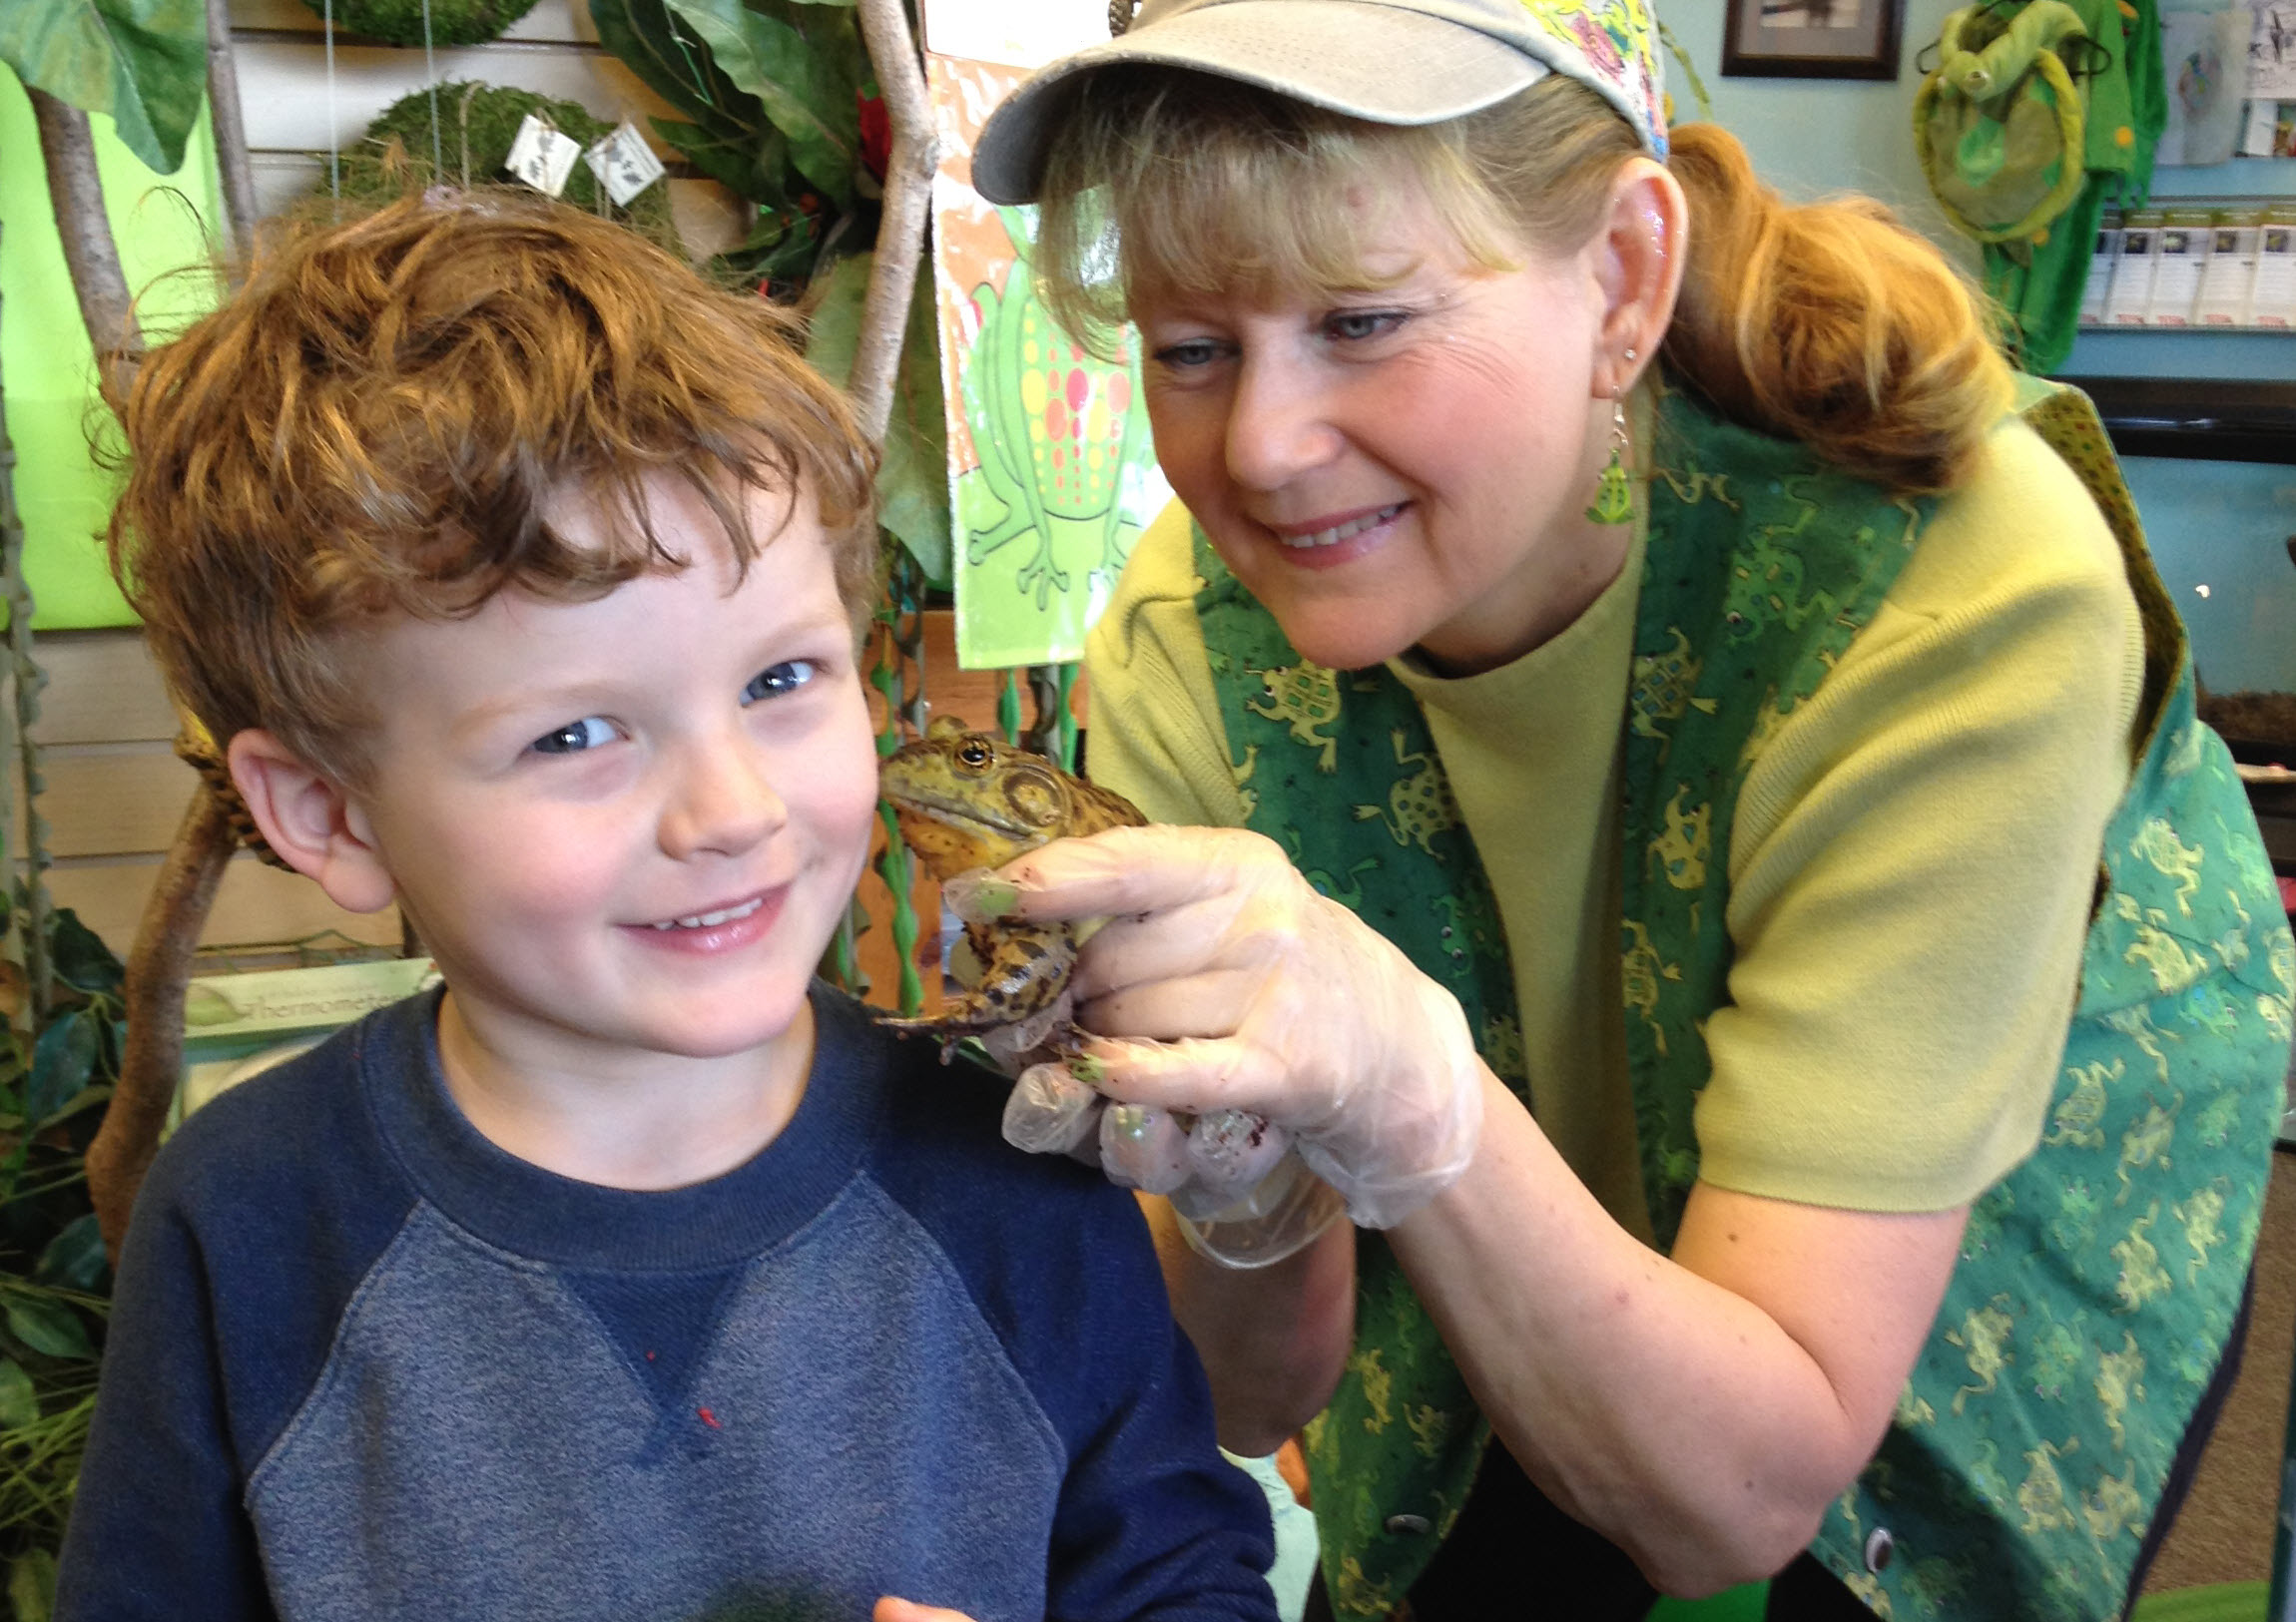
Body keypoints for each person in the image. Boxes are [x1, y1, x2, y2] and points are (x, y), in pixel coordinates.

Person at [954, 1, 2294, 1618]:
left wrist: (1397, 1090)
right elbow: (1255, 1396)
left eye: (1366, 320)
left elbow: (1746, 1489)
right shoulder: (1186, 636)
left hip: (1984, 1174)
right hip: (1522, 1122)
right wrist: (1252, 1179)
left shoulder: (1955, 589)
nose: (1263, 445)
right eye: (1189, 345)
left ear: (1623, 277)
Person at [56, 191, 1279, 1622]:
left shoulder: (1017, 1173)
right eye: (576, 736)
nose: (735, 812)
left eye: (779, 681)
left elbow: (1188, 1582)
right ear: (327, 813)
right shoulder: (248, 1221)